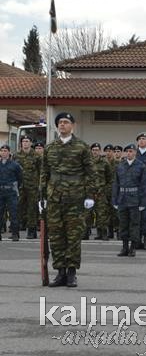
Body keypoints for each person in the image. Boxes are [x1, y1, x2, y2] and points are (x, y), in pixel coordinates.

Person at [39, 112, 96, 287]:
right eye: (60, 123)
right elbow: (44, 173)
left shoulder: (81, 147)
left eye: (66, 122)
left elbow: (91, 173)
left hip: (75, 198)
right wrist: (42, 197)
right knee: (56, 236)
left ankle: (71, 273)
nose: (62, 125)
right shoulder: (50, 147)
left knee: (73, 236)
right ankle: (60, 272)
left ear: (73, 126)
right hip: (54, 198)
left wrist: (90, 195)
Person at [112, 144, 146, 257]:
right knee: (123, 224)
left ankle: (133, 247)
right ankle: (124, 247)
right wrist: (115, 200)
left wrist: (143, 202)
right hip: (122, 198)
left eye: (131, 151)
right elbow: (116, 184)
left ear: (135, 152)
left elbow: (143, 185)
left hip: (134, 199)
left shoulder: (141, 166)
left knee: (134, 224)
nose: (129, 153)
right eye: (127, 151)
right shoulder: (120, 166)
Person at [15, 135, 39, 239]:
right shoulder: (16, 155)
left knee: (32, 208)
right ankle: (17, 228)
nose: (25, 143)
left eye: (27, 141)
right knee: (18, 207)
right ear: (21, 143)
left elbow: (41, 171)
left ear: (31, 143)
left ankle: (31, 230)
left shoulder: (36, 156)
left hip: (32, 186)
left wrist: (40, 185)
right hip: (20, 186)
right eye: (23, 141)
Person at [0, 144, 22, 242]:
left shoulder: (15, 165)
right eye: (2, 151)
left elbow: (20, 178)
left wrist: (15, 187)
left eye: (5, 151)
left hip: (11, 192)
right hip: (1, 191)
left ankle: (15, 233)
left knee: (14, 213)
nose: (3, 153)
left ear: (9, 152)